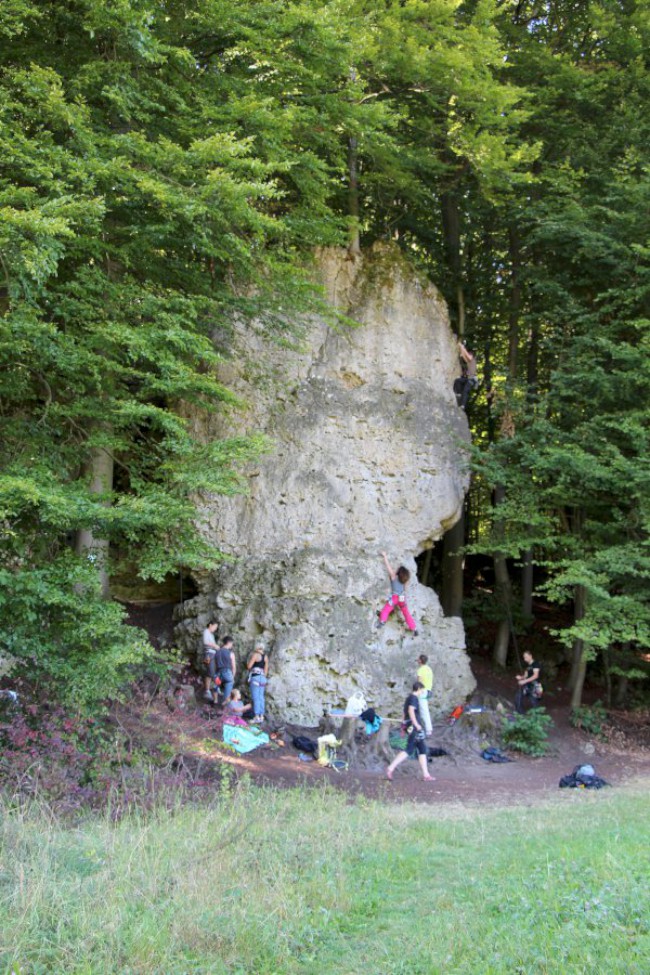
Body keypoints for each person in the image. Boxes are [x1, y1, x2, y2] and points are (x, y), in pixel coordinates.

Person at [386, 682, 434, 782]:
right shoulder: (413, 698)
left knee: (422, 749)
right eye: (422, 690)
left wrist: (403, 727)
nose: (423, 692)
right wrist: (417, 725)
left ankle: (426, 774)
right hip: (414, 727)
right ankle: (391, 768)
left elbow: (404, 713)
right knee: (409, 749)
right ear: (419, 689)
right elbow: (411, 711)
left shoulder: (409, 698)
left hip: (411, 726)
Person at [377, 552, 418, 635]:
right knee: (406, 613)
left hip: (394, 597)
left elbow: (388, 566)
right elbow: (405, 589)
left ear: (398, 572)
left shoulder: (393, 577)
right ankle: (414, 628)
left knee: (387, 609)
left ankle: (382, 621)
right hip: (402, 598)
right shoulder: (405, 580)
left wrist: (385, 556)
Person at [247, 643, 269, 724]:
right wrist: (263, 677)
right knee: (261, 697)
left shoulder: (255, 655)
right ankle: (261, 716)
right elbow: (266, 670)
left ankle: (256, 716)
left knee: (255, 697)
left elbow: (249, 666)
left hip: (255, 677)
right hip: (263, 678)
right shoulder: (266, 657)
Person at [456, 341, 478, 410]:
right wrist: (461, 347)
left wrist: (463, 347)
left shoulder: (473, 360)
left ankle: (463, 405)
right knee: (458, 381)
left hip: (472, 379)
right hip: (468, 379)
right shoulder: (469, 361)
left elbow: (468, 357)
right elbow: (463, 356)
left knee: (465, 390)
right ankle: (459, 395)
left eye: (469, 354)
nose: (468, 354)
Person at [214, 636, 237, 704]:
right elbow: (234, 667)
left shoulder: (217, 652)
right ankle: (224, 703)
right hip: (227, 672)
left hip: (218, 672)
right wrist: (233, 677)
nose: (232, 645)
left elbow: (215, 663)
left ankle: (215, 701)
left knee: (216, 686)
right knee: (229, 683)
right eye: (232, 643)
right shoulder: (231, 653)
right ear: (229, 643)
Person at [202, 620, 219, 701]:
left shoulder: (211, 635)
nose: (215, 629)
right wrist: (215, 645)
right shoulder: (206, 631)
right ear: (210, 625)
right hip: (208, 654)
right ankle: (208, 691)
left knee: (211, 672)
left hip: (213, 654)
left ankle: (210, 690)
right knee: (211, 672)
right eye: (215, 627)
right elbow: (205, 642)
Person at [416, 653, 433, 736]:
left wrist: (416, 692)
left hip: (422, 691)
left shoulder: (421, 669)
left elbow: (418, 682)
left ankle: (428, 730)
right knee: (422, 709)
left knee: (423, 710)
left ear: (420, 660)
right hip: (428, 691)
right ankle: (422, 727)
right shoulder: (429, 669)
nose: (417, 660)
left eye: (418, 659)